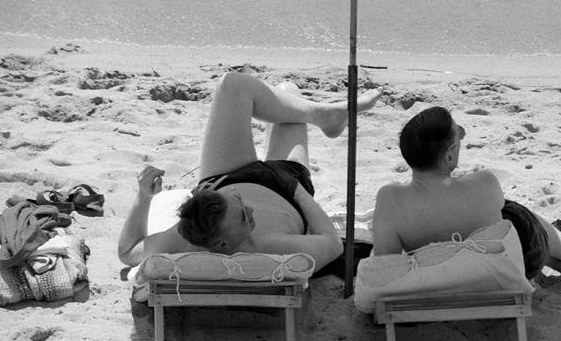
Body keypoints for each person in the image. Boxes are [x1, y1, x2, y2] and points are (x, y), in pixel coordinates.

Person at [118, 70, 381, 271]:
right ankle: (322, 115)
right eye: (244, 217)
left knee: (231, 84)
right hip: (286, 185)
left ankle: (321, 115)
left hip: (222, 179)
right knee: (288, 89)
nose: (250, 210)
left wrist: (144, 198)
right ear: (223, 245)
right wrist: (299, 192)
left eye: (242, 206)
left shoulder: (182, 236)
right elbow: (332, 244)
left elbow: (127, 252)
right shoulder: (271, 247)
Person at [372, 106, 561, 286]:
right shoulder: (483, 183)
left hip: (437, 280)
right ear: (449, 155)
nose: (462, 137)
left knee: (498, 222)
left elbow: (388, 265)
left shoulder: (389, 199)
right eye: (458, 138)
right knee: (516, 215)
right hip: (495, 279)